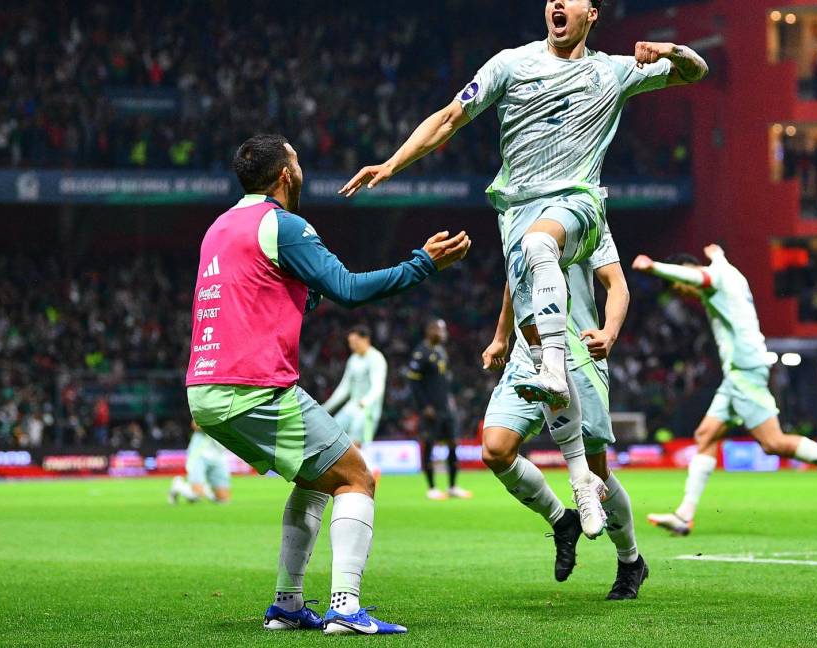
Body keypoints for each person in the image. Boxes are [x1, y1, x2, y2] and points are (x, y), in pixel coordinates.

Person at [340, 0, 709, 535]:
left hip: (577, 205)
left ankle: (561, 384)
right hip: (517, 217)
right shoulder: (509, 65)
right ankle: (573, 488)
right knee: (531, 268)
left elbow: (696, 72)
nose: (557, 3)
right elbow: (449, 117)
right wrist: (394, 162)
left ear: (593, 14)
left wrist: (672, 49)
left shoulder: (612, 71)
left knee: (542, 247)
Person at [185, 134, 470, 635]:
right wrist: (423, 264)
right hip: (252, 386)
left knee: (316, 480)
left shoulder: (219, 227)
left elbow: (256, 296)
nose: (301, 169)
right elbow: (349, 289)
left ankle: (289, 604)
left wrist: (302, 297)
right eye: (297, 161)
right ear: (285, 176)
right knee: (358, 477)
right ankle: (344, 606)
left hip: (206, 388)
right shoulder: (283, 225)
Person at [633, 245, 817, 537]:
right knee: (706, 435)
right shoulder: (729, 271)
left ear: (688, 271)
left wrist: (653, 266)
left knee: (773, 443)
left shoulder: (714, 279)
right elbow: (712, 267)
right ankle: (684, 515)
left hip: (744, 372)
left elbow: (700, 279)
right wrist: (718, 253)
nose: (684, 294)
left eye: (680, 287)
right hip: (738, 372)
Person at [480, 219, 648, 599]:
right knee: (495, 450)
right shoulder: (515, 217)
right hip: (529, 357)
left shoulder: (586, 218)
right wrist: (500, 337)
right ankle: (562, 520)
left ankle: (630, 561)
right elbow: (514, 279)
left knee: (596, 473)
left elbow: (616, 283)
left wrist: (610, 332)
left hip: (580, 354)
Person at [405, 318, 471, 500]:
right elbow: (414, 383)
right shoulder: (420, 353)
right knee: (430, 445)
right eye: (440, 330)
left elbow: (444, 382)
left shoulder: (441, 351)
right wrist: (424, 406)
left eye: (444, 330)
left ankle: (452, 486)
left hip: (446, 407)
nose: (444, 334)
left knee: (453, 444)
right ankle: (432, 488)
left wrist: (450, 400)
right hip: (431, 409)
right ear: (429, 331)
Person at [322, 326, 388, 476]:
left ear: (366, 339)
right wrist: (326, 407)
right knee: (332, 433)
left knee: (355, 442)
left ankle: (368, 471)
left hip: (367, 408)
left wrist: (366, 401)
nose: (352, 345)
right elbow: (344, 388)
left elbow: (378, 386)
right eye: (350, 342)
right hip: (352, 405)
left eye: (355, 341)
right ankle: (360, 470)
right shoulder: (353, 359)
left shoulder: (376, 358)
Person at [169, 419, 232, 504]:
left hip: (218, 455)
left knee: (223, 499)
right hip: (200, 453)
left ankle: (205, 491)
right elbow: (195, 425)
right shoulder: (209, 407)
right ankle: (178, 485)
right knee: (197, 494)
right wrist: (217, 425)